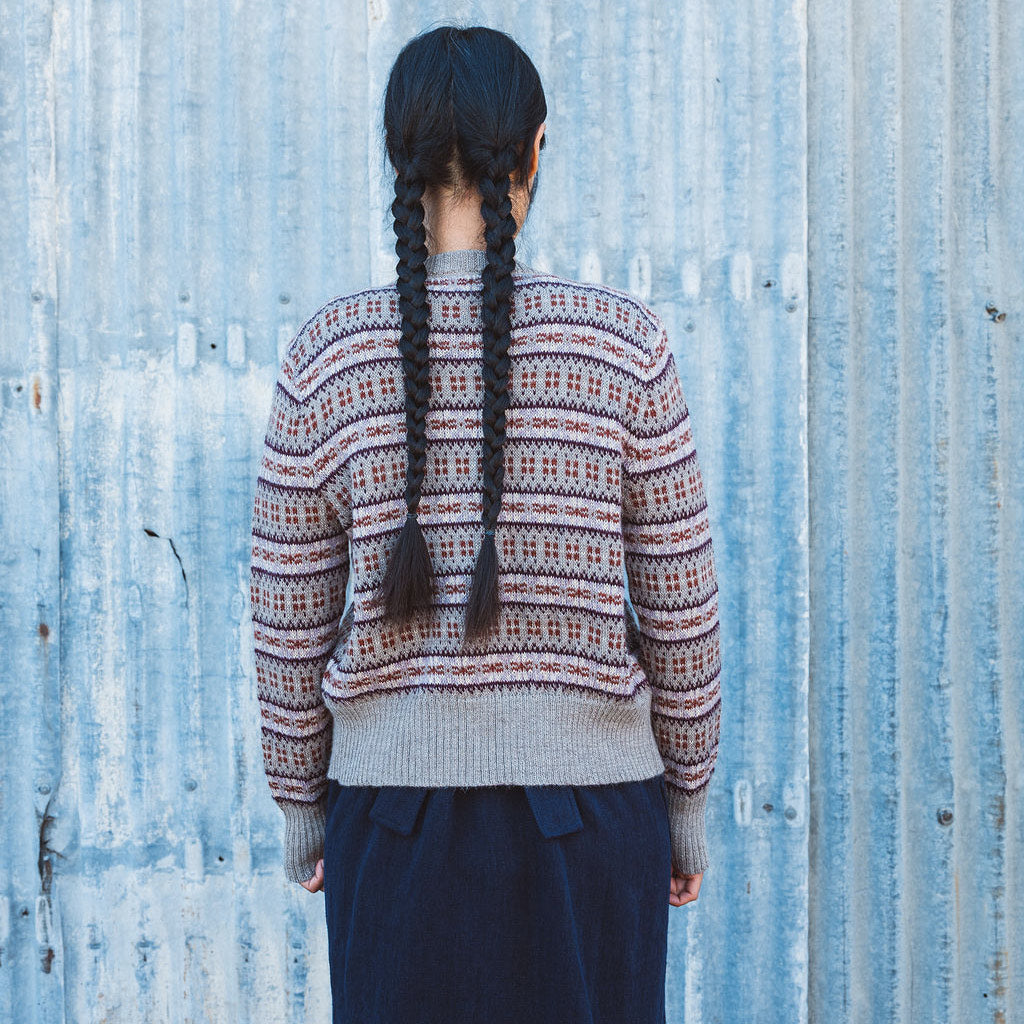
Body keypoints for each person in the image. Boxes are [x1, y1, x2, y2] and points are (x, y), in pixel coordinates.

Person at [249, 23, 722, 1024]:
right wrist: (684, 807)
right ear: (534, 150)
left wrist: (302, 808)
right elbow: (681, 608)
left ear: (396, 158)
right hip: (593, 825)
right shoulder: (623, 347)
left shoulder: (326, 357)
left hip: (393, 827)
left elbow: (286, 623)